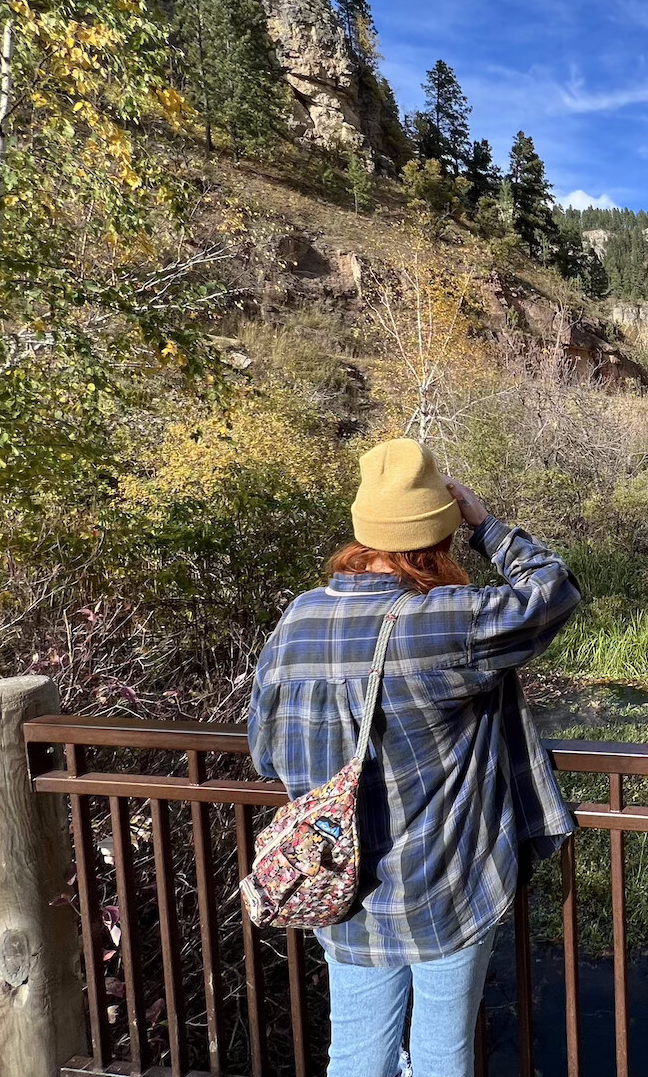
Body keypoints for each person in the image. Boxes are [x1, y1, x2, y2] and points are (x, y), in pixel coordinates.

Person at [248, 437, 580, 1077]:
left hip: (338, 888)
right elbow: (553, 590)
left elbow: (266, 751)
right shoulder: (442, 622)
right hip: (447, 891)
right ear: (439, 536)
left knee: (355, 1058)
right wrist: (486, 524)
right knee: (440, 1056)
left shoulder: (298, 620)